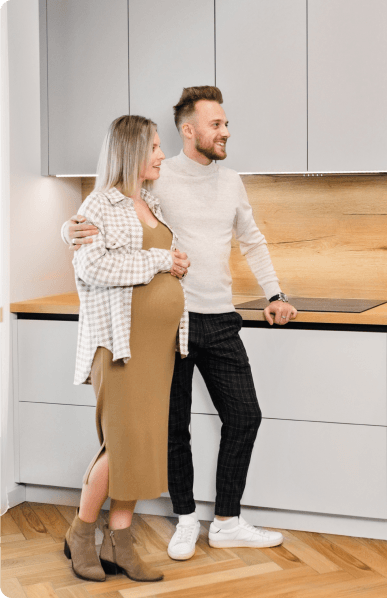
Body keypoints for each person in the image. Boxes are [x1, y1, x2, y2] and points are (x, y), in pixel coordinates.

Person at [63, 86, 297, 561]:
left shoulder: (231, 181)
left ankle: (227, 520)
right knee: (174, 427)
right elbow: (103, 209)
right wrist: (66, 229)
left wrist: (275, 293)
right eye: (217, 124)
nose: (226, 131)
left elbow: (252, 241)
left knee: (245, 416)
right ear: (188, 130)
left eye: (226, 123)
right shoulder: (157, 177)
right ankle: (186, 519)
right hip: (172, 328)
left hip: (220, 318)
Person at [65, 115, 190, 582]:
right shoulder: (99, 204)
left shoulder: (150, 202)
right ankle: (80, 535)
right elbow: (94, 267)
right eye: (155, 146)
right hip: (119, 344)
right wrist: (162, 259)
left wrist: (177, 262)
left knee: (142, 445)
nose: (161, 154)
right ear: (132, 150)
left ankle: (119, 541)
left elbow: (157, 263)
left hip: (155, 348)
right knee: (121, 444)